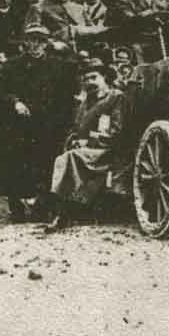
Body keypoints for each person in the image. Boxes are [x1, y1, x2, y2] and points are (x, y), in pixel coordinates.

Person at [0, 24, 79, 221]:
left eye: (41, 41)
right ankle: (15, 202)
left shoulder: (58, 67)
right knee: (12, 153)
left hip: (47, 123)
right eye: (31, 40)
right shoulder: (11, 66)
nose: (35, 45)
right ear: (24, 42)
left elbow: (66, 97)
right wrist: (15, 102)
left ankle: (43, 203)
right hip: (18, 122)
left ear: (47, 44)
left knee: (47, 158)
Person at [44, 58, 126, 233]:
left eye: (94, 77)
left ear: (104, 77)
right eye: (86, 79)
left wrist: (88, 141)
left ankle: (61, 214)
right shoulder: (85, 101)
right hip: (86, 150)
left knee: (69, 158)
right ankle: (64, 208)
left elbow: (116, 131)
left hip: (105, 150)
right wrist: (74, 140)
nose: (90, 82)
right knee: (66, 155)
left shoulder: (115, 98)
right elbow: (76, 127)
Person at [24, 0, 88, 52]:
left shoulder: (79, 8)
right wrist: (52, 43)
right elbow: (31, 35)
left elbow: (90, 28)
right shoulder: (38, 8)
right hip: (53, 52)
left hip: (83, 49)